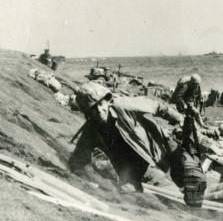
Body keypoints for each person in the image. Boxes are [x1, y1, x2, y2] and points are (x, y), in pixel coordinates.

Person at [69, 82, 207, 207]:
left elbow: (158, 106)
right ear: (87, 112)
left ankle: (199, 196)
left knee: (196, 180)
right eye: (93, 109)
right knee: (172, 200)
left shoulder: (124, 105)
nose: (99, 110)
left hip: (162, 149)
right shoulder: (91, 130)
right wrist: (93, 182)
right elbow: (77, 161)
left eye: (101, 104)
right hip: (140, 171)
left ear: (107, 101)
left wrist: (180, 120)